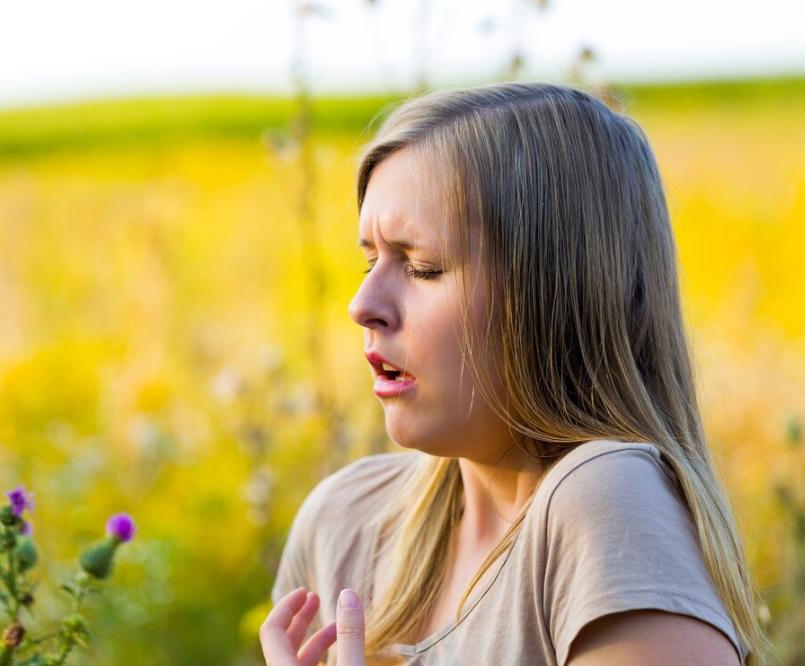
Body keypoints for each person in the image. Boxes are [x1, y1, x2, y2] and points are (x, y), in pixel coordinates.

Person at [259, 81, 767, 665]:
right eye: (372, 260)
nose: (363, 304)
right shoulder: (345, 520)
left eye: (423, 267)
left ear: (553, 293)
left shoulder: (606, 501)